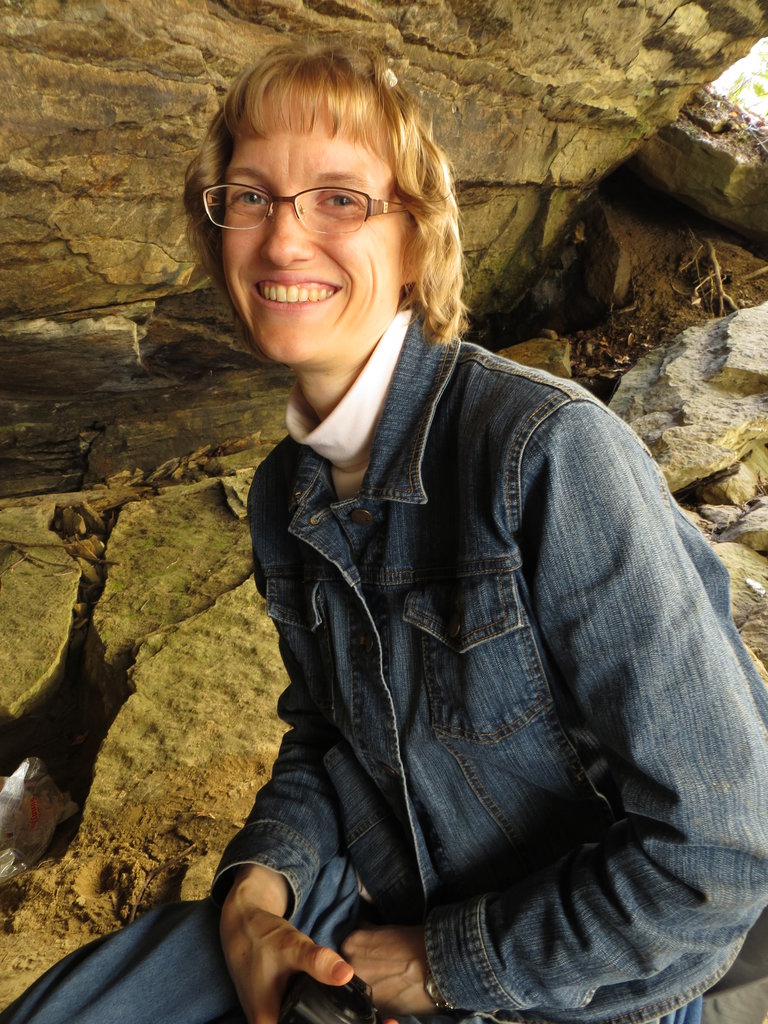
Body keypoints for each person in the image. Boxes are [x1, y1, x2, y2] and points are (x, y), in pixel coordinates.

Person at [2, 39, 768, 1024]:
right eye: (251, 196)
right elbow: (330, 736)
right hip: (372, 892)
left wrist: (439, 966)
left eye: (339, 199)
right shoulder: (283, 492)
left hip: (579, 974)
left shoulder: (546, 452)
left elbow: (720, 857)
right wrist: (258, 887)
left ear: (416, 239)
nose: (284, 240)